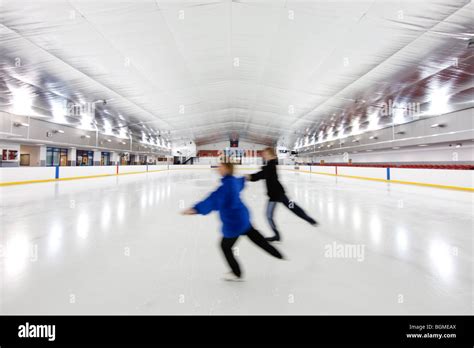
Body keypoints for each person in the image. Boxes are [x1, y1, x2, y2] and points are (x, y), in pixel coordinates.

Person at [182, 162, 284, 281]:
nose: (218, 168)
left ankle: (237, 273)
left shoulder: (225, 187)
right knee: (258, 239)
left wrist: (196, 209)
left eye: (220, 166)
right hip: (243, 218)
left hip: (235, 223)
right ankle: (278, 255)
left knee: (225, 246)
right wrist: (244, 178)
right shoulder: (233, 181)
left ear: (226, 168)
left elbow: (213, 200)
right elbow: (240, 182)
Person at [246, 147, 318, 242]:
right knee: (276, 213)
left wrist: (251, 176)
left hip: (278, 194)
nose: (264, 155)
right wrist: (251, 177)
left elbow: (263, 173)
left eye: (266, 154)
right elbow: (262, 174)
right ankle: (278, 234)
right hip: (275, 195)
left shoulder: (271, 165)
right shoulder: (269, 165)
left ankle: (307, 219)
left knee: (288, 208)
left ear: (271, 155)